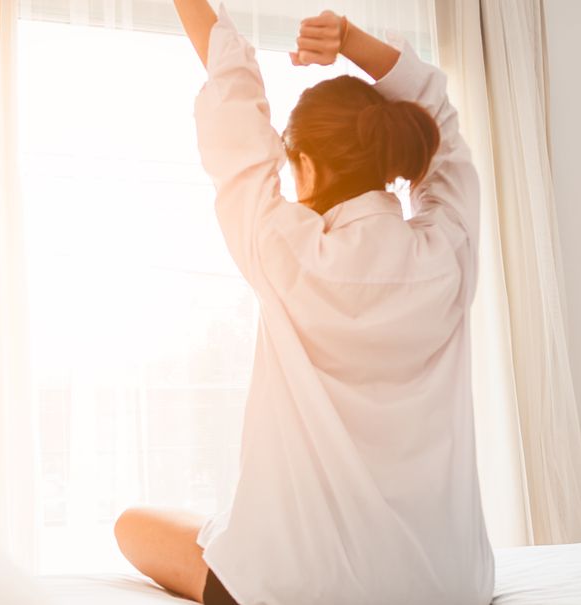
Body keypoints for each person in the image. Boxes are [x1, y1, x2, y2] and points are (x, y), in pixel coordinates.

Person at [112, 3, 495, 604]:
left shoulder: (284, 250)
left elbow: (234, 102)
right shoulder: (448, 256)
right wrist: (350, 41)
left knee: (132, 524)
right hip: (448, 586)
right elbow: (442, 125)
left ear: (306, 165)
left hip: (298, 589)